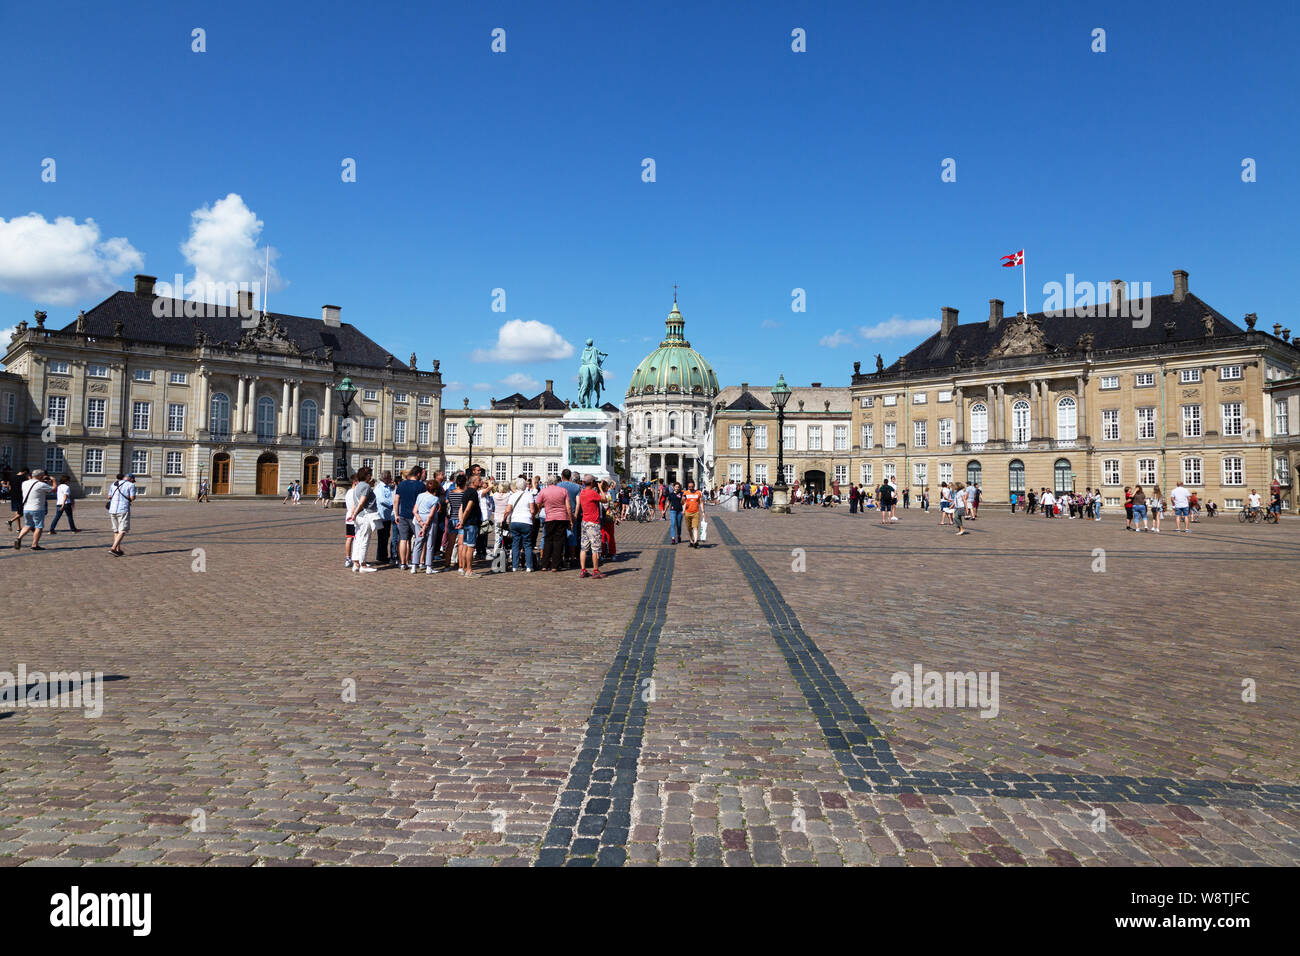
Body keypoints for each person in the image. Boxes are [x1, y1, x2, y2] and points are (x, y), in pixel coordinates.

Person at [345, 466, 380, 572]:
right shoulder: (366, 486)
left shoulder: (357, 486)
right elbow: (361, 502)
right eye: (370, 474)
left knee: (357, 539)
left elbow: (356, 503)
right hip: (365, 516)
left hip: (359, 516)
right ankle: (363, 564)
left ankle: (356, 563)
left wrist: (353, 514)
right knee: (364, 540)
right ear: (367, 476)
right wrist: (354, 514)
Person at [537, 475, 572, 572]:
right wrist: (570, 520)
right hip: (561, 518)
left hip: (549, 518)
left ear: (548, 482)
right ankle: (555, 565)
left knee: (548, 540)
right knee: (559, 542)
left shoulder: (543, 491)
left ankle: (544, 564)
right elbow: (568, 507)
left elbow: (538, 504)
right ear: (556, 482)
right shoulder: (563, 491)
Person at [393, 465, 425, 570]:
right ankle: (418, 561)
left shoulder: (402, 484)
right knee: (418, 539)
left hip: (403, 515)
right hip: (415, 516)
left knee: (403, 539)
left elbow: (396, 500)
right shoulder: (421, 486)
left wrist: (396, 514)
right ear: (418, 474)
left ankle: (403, 563)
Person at [14, 470, 54, 550]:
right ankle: (34, 545)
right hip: (37, 508)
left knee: (27, 525)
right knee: (38, 526)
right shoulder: (41, 484)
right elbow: (54, 489)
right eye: (42, 476)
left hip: (26, 508)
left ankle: (19, 538)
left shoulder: (24, 483)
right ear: (40, 476)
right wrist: (53, 480)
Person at [504, 477, 537, 572]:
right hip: (526, 521)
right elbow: (532, 510)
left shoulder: (513, 496)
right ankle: (529, 566)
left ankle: (515, 566)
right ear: (525, 486)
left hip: (515, 521)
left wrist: (504, 519)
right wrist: (533, 517)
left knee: (515, 544)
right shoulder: (529, 495)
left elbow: (508, 510)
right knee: (527, 544)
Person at [577, 475, 605, 578]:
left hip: (584, 522)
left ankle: (583, 570)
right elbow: (604, 499)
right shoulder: (593, 493)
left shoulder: (582, 492)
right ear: (592, 482)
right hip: (593, 523)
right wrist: (601, 488)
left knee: (584, 548)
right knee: (595, 548)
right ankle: (595, 570)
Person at [412, 478, 442, 573]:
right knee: (430, 543)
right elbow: (431, 514)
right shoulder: (435, 499)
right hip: (430, 521)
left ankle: (414, 566)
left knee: (418, 542)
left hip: (419, 518)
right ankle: (428, 566)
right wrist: (425, 526)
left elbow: (414, 511)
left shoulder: (420, 496)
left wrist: (420, 521)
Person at [457, 476, 483, 577]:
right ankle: (469, 570)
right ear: (473, 482)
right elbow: (467, 509)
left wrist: (461, 520)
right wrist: (462, 521)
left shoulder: (466, 492)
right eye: (479, 480)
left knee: (465, 545)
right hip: (471, 522)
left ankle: (463, 568)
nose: (481, 481)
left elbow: (461, 508)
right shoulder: (473, 493)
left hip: (466, 522)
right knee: (471, 547)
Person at [106, 472, 136, 556]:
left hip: (112, 509)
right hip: (123, 509)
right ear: (131, 479)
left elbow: (109, 497)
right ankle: (113, 548)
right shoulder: (131, 485)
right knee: (123, 530)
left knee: (116, 531)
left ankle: (118, 550)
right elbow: (132, 498)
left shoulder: (114, 484)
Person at [375, 471, 396, 566]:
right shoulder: (379, 488)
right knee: (382, 536)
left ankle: (383, 555)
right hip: (382, 515)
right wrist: (393, 504)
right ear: (385, 478)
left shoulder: (388, 487)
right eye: (389, 477)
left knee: (386, 536)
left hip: (388, 515)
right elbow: (382, 499)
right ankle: (381, 556)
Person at [682, 479, 704, 548]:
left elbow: (701, 502)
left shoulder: (698, 493)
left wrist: (703, 511)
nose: (690, 488)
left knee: (695, 527)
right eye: (689, 487)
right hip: (687, 512)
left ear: (694, 486)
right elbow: (683, 503)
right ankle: (691, 541)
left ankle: (695, 541)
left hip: (696, 512)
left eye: (692, 487)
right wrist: (683, 508)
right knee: (689, 529)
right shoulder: (685, 493)